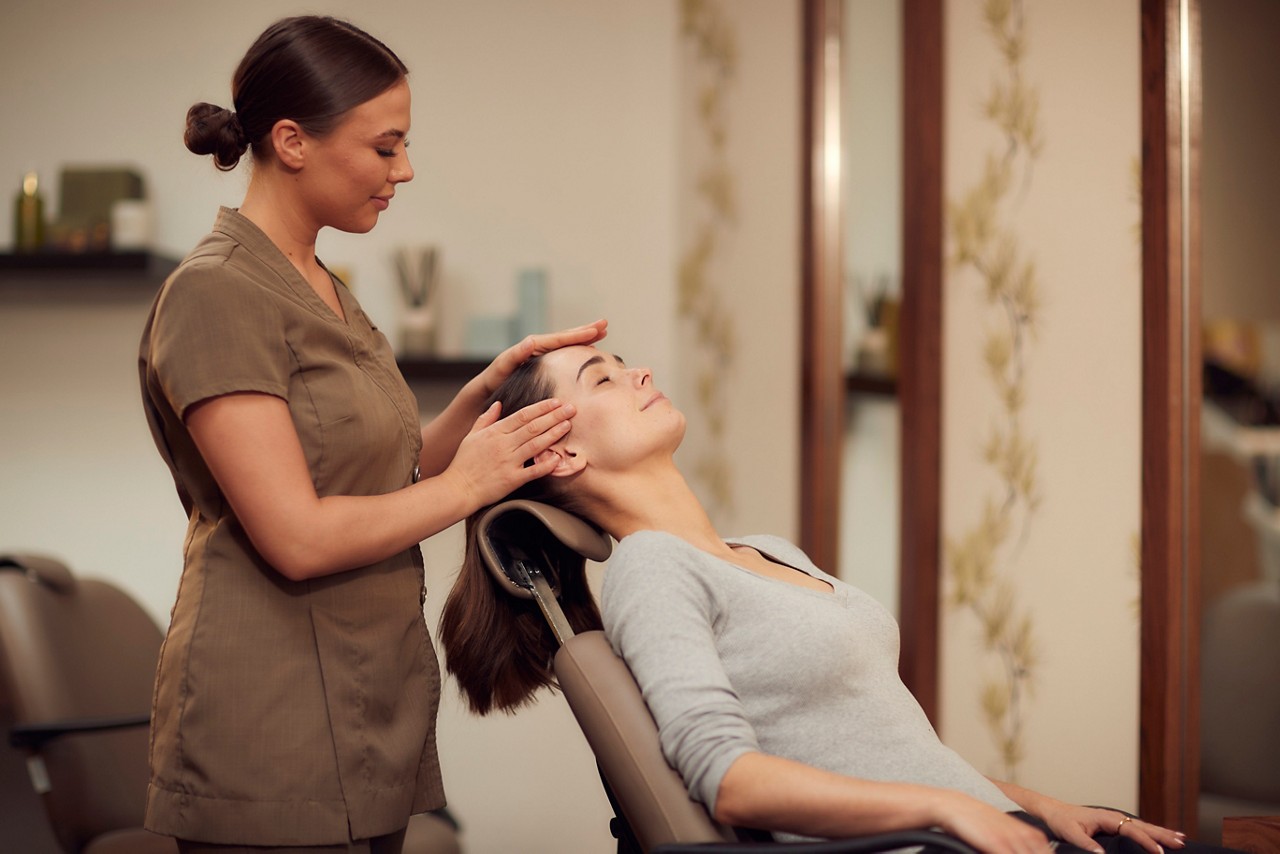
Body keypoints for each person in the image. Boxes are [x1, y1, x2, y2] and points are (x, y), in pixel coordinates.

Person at [440, 345, 1239, 854]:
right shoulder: (653, 571)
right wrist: (949, 813)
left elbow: (882, 739)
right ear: (564, 448)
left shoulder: (766, 552)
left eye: (625, 362)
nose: (641, 370)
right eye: (604, 377)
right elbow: (727, 777)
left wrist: (1034, 804)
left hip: (984, 828)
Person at [138, 15, 606, 852]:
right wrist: (468, 486)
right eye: (385, 147)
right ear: (291, 141)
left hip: (369, 702)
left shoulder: (322, 285)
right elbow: (296, 535)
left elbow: (382, 475)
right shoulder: (216, 293)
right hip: (267, 721)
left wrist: (483, 396)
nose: (405, 169)